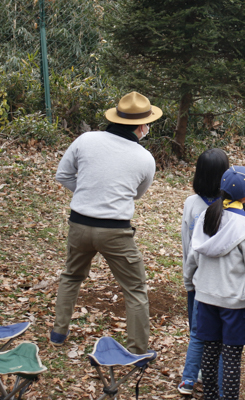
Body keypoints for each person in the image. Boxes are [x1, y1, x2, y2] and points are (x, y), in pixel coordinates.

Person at [51, 91, 161, 354]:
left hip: (78, 226)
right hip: (115, 232)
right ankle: (137, 349)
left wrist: (88, 191)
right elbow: (135, 193)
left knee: (71, 276)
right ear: (141, 126)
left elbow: (63, 175)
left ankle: (58, 333)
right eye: (147, 123)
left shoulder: (86, 140)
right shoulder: (145, 158)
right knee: (135, 289)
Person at [185, 165, 245, 400]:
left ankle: (210, 396)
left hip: (206, 296)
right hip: (236, 302)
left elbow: (194, 255)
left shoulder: (206, 216)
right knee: (231, 358)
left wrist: (190, 282)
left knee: (209, 354)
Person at [179, 148, 229, 395]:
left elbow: (186, 245)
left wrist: (188, 279)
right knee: (219, 336)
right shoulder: (231, 208)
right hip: (224, 285)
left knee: (197, 331)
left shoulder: (191, 204)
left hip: (197, 280)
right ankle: (215, 382)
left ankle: (192, 376)